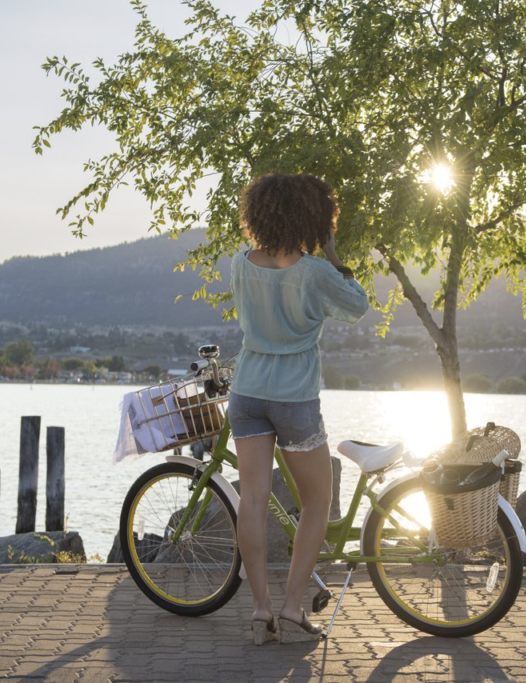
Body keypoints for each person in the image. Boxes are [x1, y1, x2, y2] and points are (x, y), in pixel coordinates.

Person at [227, 173, 369, 645]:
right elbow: (357, 306)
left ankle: (260, 610)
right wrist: (332, 254)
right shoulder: (314, 272)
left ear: (259, 213)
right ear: (312, 218)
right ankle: (292, 606)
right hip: (294, 398)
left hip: (247, 391)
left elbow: (248, 316)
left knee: (251, 499)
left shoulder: (239, 263)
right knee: (317, 501)